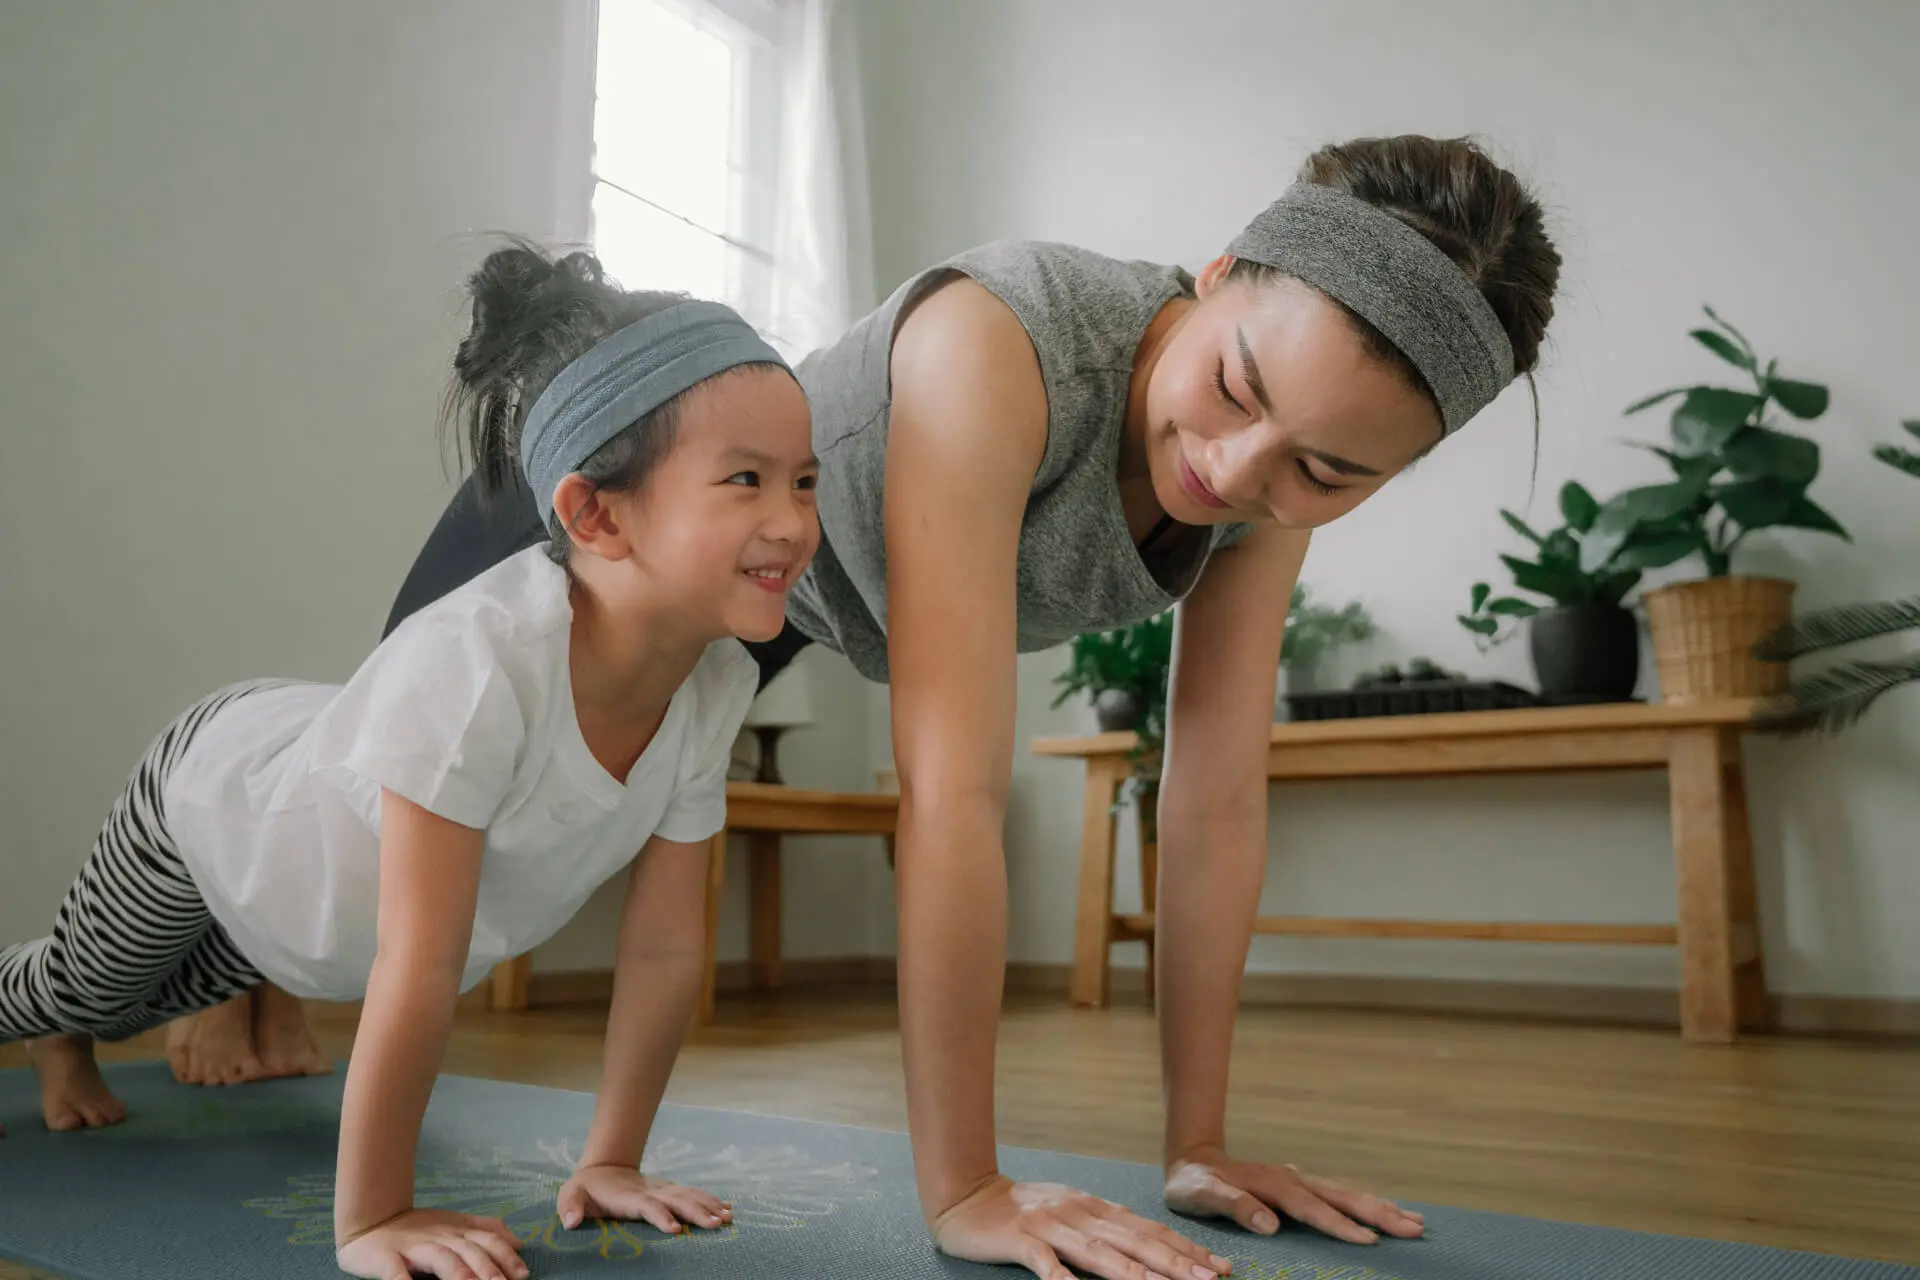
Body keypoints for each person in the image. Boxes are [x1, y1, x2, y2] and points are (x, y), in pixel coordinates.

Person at [185, 133, 1564, 1280]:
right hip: (634, 541)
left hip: (772, 611)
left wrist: (1196, 1146)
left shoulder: (1266, 480)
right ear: (1215, 280)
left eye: (1326, 471)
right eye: (1235, 389)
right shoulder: (1004, 341)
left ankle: (259, 989)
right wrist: (966, 1189)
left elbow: (1212, 796)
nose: (1237, 469)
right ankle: (229, 966)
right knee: (353, 800)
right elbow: (951, 789)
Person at [0, 249, 822, 1280]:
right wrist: (375, 1214)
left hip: (313, 913)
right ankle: (53, 1026)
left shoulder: (714, 688)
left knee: (149, 993)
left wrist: (612, 1157)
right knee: (84, 985)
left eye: (804, 480)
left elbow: (661, 950)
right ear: (596, 515)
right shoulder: (481, 665)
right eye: (746, 479)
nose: (792, 522)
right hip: (216, 804)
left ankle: (73, 1028)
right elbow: (419, 960)